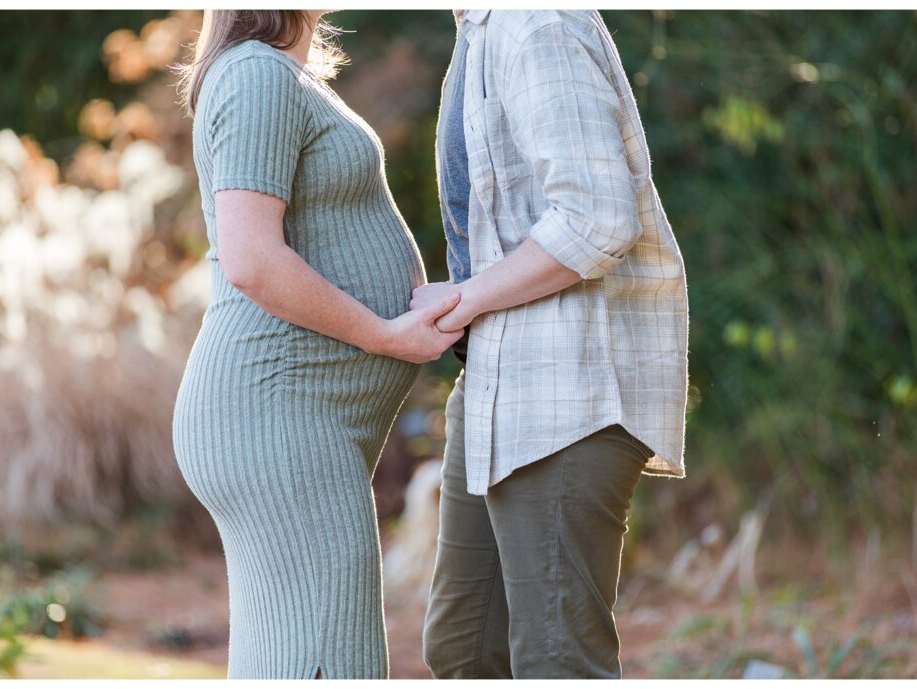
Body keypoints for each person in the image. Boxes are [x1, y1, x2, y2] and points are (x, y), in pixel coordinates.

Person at [171, 10, 462, 680]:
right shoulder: (255, 74)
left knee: (290, 659)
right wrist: (385, 333)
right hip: (278, 411)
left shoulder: (278, 75)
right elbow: (251, 259)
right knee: (332, 660)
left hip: (293, 416)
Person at [416, 9, 690, 679]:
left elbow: (596, 218)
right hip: (494, 379)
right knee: (467, 649)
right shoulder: (480, 27)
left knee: (556, 662)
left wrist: (466, 297)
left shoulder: (532, 22)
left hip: (569, 389)